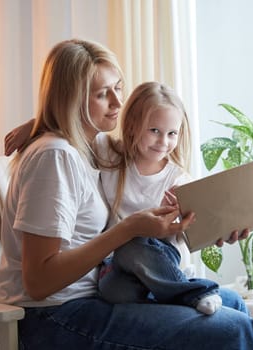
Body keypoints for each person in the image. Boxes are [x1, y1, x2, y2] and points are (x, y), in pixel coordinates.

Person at [0, 38, 253, 349]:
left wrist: (217, 226)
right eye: (103, 94)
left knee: (233, 303)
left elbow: (65, 120)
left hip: (91, 298)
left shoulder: (86, 149)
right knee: (234, 330)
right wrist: (129, 230)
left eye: (118, 88)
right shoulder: (55, 157)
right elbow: (38, 282)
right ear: (72, 100)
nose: (117, 103)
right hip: (53, 318)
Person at [94, 81, 222, 315]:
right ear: (132, 125)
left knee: (132, 242)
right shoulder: (109, 154)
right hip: (117, 261)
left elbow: (183, 236)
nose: (164, 142)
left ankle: (196, 291)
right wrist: (33, 127)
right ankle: (169, 290)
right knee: (113, 291)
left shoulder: (178, 180)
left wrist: (173, 223)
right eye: (154, 131)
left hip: (157, 252)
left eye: (172, 133)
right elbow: (73, 129)